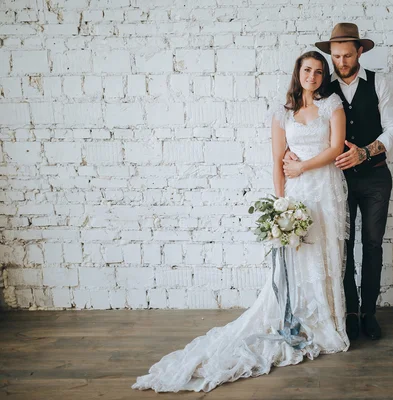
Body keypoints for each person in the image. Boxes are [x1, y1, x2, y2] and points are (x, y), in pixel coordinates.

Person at [132, 51, 349, 393]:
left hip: (324, 188)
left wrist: (303, 166)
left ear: (324, 77)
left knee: (325, 254)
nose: (313, 76)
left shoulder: (331, 105)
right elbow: (277, 159)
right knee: (296, 258)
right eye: (307, 70)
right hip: (297, 192)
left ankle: (326, 321)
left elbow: (336, 147)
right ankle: (296, 318)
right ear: (298, 73)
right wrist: (280, 204)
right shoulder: (283, 112)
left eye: (319, 72)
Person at [288, 23, 393, 341]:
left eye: (347, 55)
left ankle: (370, 314)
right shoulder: (323, 87)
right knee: (343, 246)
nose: (341, 61)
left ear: (360, 51)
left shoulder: (379, 84)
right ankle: (350, 312)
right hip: (337, 181)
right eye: (335, 56)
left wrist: (365, 153)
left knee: (373, 245)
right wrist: (292, 156)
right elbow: (302, 118)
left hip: (376, 177)